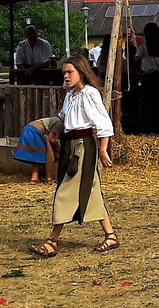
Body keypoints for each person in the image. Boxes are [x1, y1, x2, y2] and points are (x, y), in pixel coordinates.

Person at [30, 55, 119, 257]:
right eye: (64, 73)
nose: (67, 76)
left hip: (83, 147)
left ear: (81, 71)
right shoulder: (71, 95)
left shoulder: (90, 94)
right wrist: (53, 132)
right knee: (92, 190)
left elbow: (104, 123)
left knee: (65, 191)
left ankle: (52, 241)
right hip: (70, 145)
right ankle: (111, 235)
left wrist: (103, 149)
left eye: (70, 72)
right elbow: (63, 117)